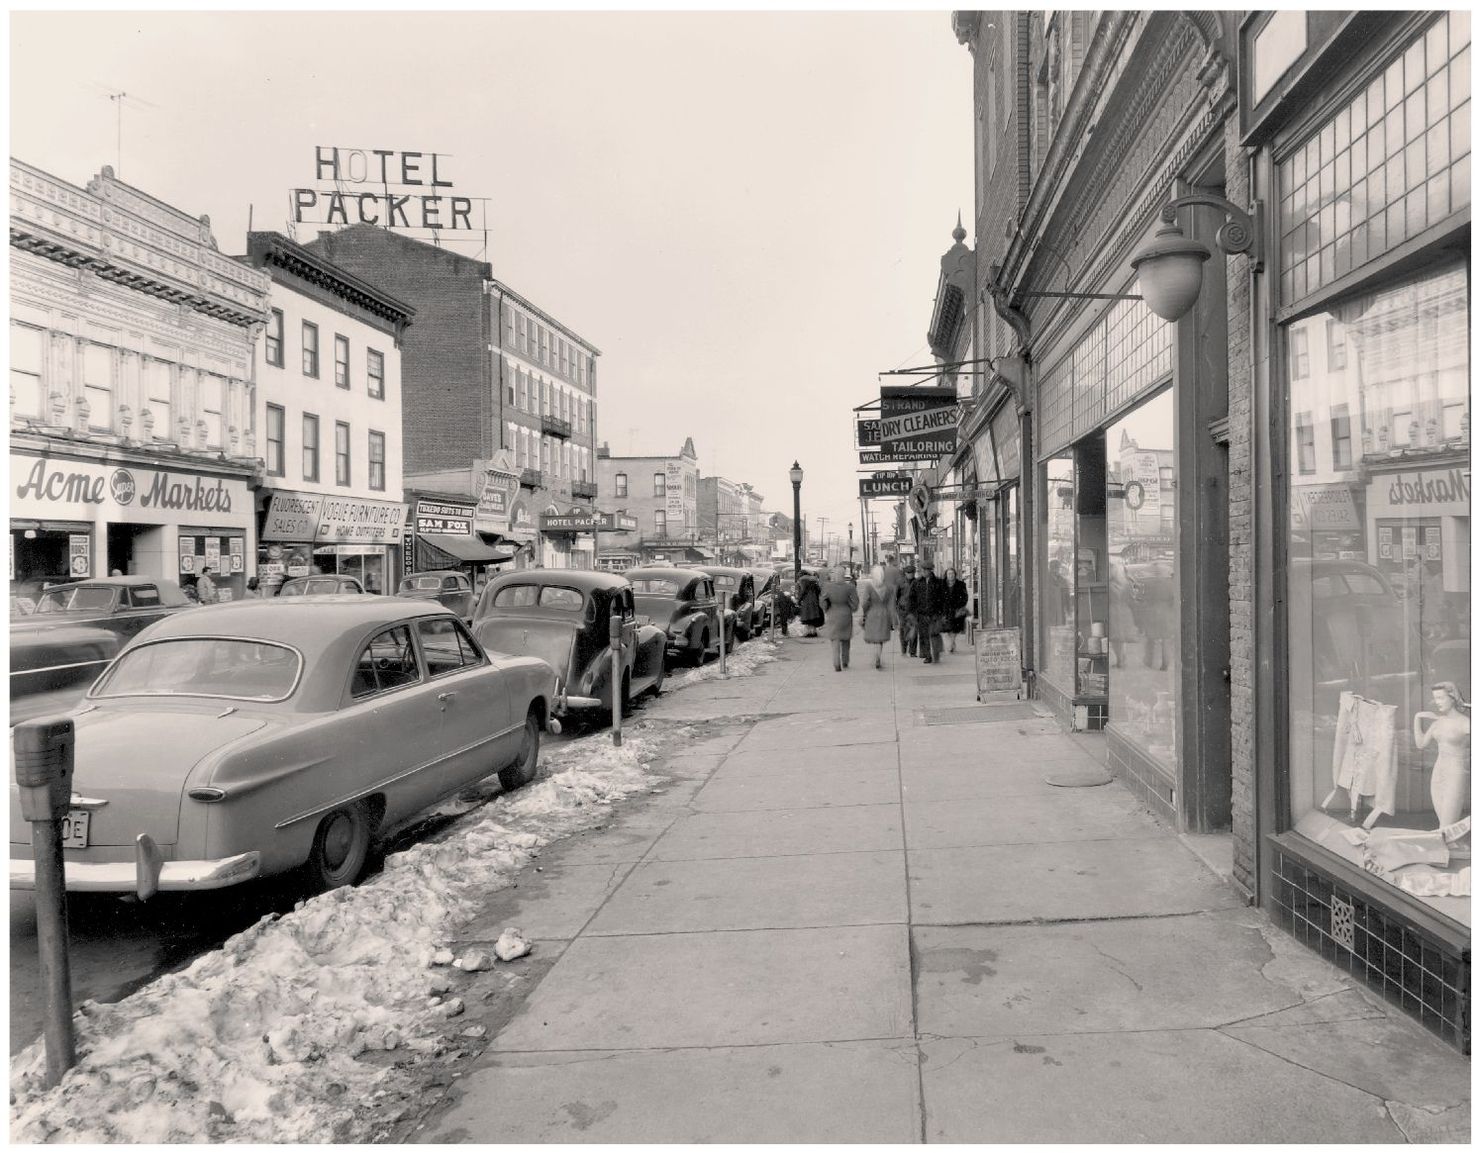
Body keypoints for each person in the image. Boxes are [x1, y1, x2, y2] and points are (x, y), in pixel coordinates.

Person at [1413, 682, 1471, 828]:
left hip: (1455, 774)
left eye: (1441, 698)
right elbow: (1420, 744)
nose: (1437, 702)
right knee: (1444, 825)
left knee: (1446, 825)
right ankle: (1449, 847)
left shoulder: (1465, 723)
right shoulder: (1438, 722)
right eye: (1435, 698)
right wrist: (1417, 718)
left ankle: (1445, 848)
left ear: (1452, 698)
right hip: (1438, 774)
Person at [819, 567, 859, 672]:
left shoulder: (827, 587)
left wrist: (826, 608)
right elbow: (855, 604)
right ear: (844, 575)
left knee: (835, 639)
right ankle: (845, 661)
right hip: (846, 614)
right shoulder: (850, 587)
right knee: (846, 639)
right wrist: (850, 605)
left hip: (832, 614)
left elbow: (822, 601)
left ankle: (836, 662)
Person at [859, 563, 896, 670]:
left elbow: (865, 602)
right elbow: (891, 604)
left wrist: (865, 612)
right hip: (884, 614)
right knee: (880, 639)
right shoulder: (888, 587)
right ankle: (878, 656)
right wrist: (892, 617)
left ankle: (876, 656)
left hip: (872, 613)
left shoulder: (869, 587)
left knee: (875, 638)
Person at [911, 559, 946, 664]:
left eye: (926, 570)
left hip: (935, 613)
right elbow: (912, 598)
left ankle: (936, 652)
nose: (924, 572)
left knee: (934, 633)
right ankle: (927, 655)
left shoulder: (939, 582)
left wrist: (943, 613)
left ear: (931, 570)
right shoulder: (917, 583)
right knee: (924, 635)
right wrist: (912, 612)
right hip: (922, 614)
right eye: (922, 570)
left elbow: (944, 599)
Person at [943, 567, 970, 653]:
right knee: (948, 629)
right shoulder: (942, 585)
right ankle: (952, 642)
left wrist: (961, 605)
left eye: (952, 573)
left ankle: (951, 644)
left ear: (955, 575)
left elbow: (965, 597)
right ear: (946, 575)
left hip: (957, 609)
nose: (950, 575)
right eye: (949, 574)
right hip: (946, 610)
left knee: (954, 628)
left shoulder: (961, 584)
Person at [897, 562, 918, 656]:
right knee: (903, 630)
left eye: (912, 573)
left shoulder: (917, 582)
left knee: (914, 630)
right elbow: (896, 596)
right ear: (905, 573)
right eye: (909, 573)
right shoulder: (900, 583)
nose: (911, 574)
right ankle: (904, 648)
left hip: (913, 610)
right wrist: (897, 608)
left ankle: (913, 651)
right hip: (902, 610)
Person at [796, 570, 824, 638]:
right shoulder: (813, 580)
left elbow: (803, 591)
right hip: (814, 600)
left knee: (808, 617)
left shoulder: (803, 580)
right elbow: (819, 591)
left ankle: (809, 633)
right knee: (813, 618)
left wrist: (799, 600)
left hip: (807, 600)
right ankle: (813, 632)